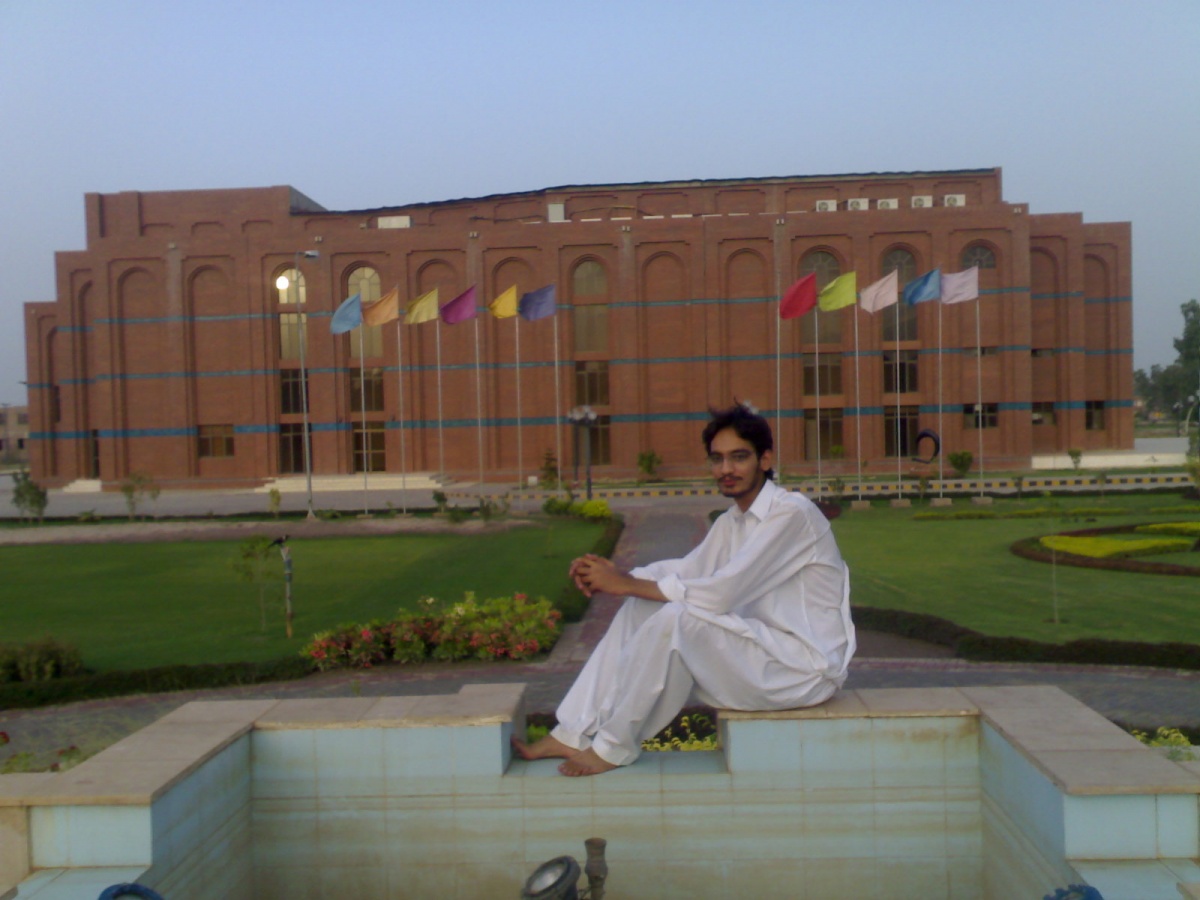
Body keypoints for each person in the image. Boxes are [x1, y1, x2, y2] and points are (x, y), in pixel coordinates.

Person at [513, 403, 856, 776]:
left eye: (739, 457)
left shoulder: (792, 514)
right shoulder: (732, 522)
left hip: (804, 672)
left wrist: (626, 583)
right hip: (760, 656)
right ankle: (573, 731)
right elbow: (687, 572)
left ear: (766, 458)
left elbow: (721, 593)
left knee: (677, 618)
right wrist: (619, 576)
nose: (726, 470)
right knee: (642, 606)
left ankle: (613, 747)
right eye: (718, 459)